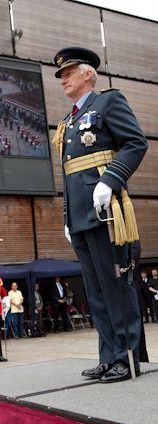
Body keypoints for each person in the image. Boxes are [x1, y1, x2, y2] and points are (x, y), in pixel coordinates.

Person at [53, 46, 147, 382]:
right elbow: (67, 173)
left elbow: (136, 142)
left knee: (115, 284)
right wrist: (66, 216)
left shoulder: (107, 102)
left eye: (68, 72)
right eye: (61, 75)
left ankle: (128, 357)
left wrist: (111, 180)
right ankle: (109, 355)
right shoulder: (68, 121)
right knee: (94, 290)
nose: (63, 78)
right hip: (80, 215)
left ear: (88, 73)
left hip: (107, 210)